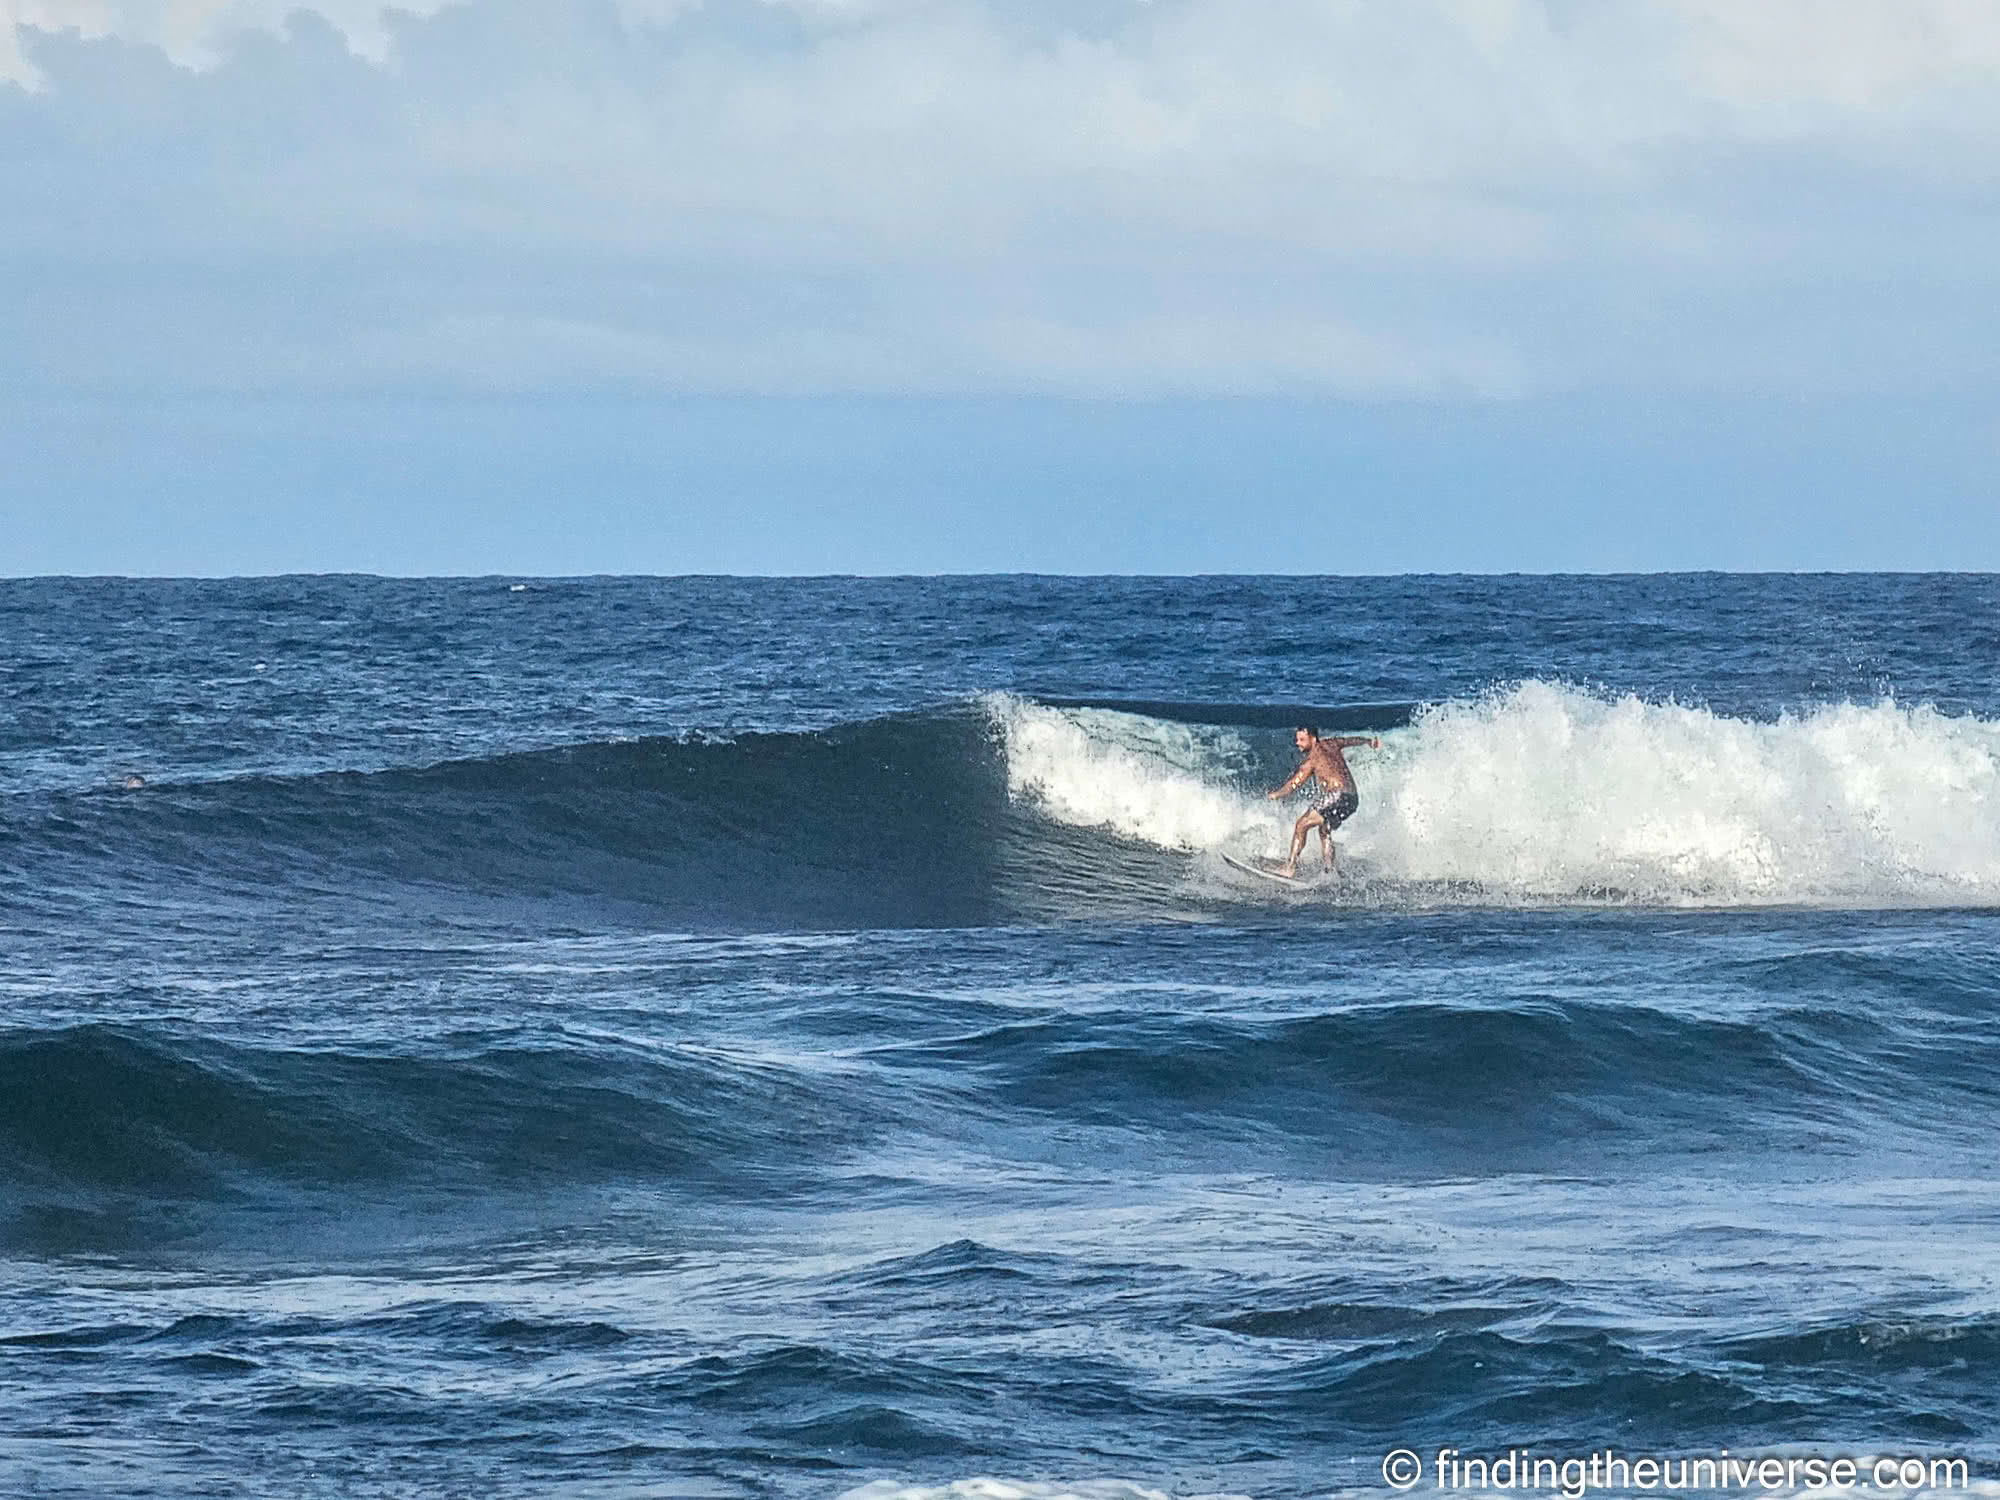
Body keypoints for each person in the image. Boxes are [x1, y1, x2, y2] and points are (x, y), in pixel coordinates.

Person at [1266, 726, 1381, 876]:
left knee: (1301, 825)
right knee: (1324, 829)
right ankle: (1329, 870)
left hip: (1337, 794)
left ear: (1313, 738)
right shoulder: (1332, 743)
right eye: (1297, 739)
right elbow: (1349, 740)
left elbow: (1294, 784)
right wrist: (1368, 741)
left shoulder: (1311, 759)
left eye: (1301, 740)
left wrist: (1276, 794)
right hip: (1352, 798)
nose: (1297, 743)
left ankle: (1290, 867)